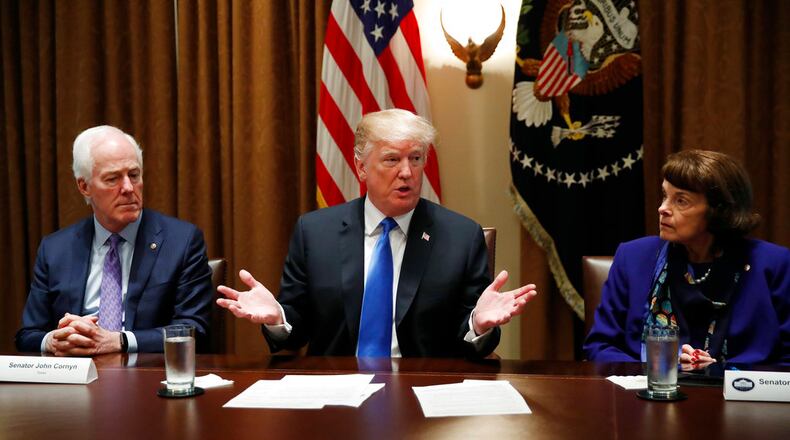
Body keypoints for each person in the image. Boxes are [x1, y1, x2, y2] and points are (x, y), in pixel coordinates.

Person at [217, 109, 538, 358]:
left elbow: (471, 339)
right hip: (335, 390)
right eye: (391, 159)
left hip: (426, 389)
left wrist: (477, 326)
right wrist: (277, 319)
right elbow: (296, 331)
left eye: (416, 158)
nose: (407, 172)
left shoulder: (460, 236)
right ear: (361, 167)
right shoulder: (315, 232)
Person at [15, 125, 214, 355]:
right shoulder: (55, 249)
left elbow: (193, 330)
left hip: (145, 379)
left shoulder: (182, 242)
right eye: (112, 179)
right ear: (84, 186)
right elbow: (27, 335)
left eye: (134, 175)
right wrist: (54, 340)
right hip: (74, 379)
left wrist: (119, 341)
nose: (129, 188)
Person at [584, 150, 790, 366]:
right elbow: (600, 346)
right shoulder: (633, 257)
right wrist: (658, 370)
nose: (662, 208)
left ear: (717, 211)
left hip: (742, 396)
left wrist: (723, 375)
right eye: (665, 195)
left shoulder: (774, 264)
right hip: (647, 393)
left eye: (681, 201)